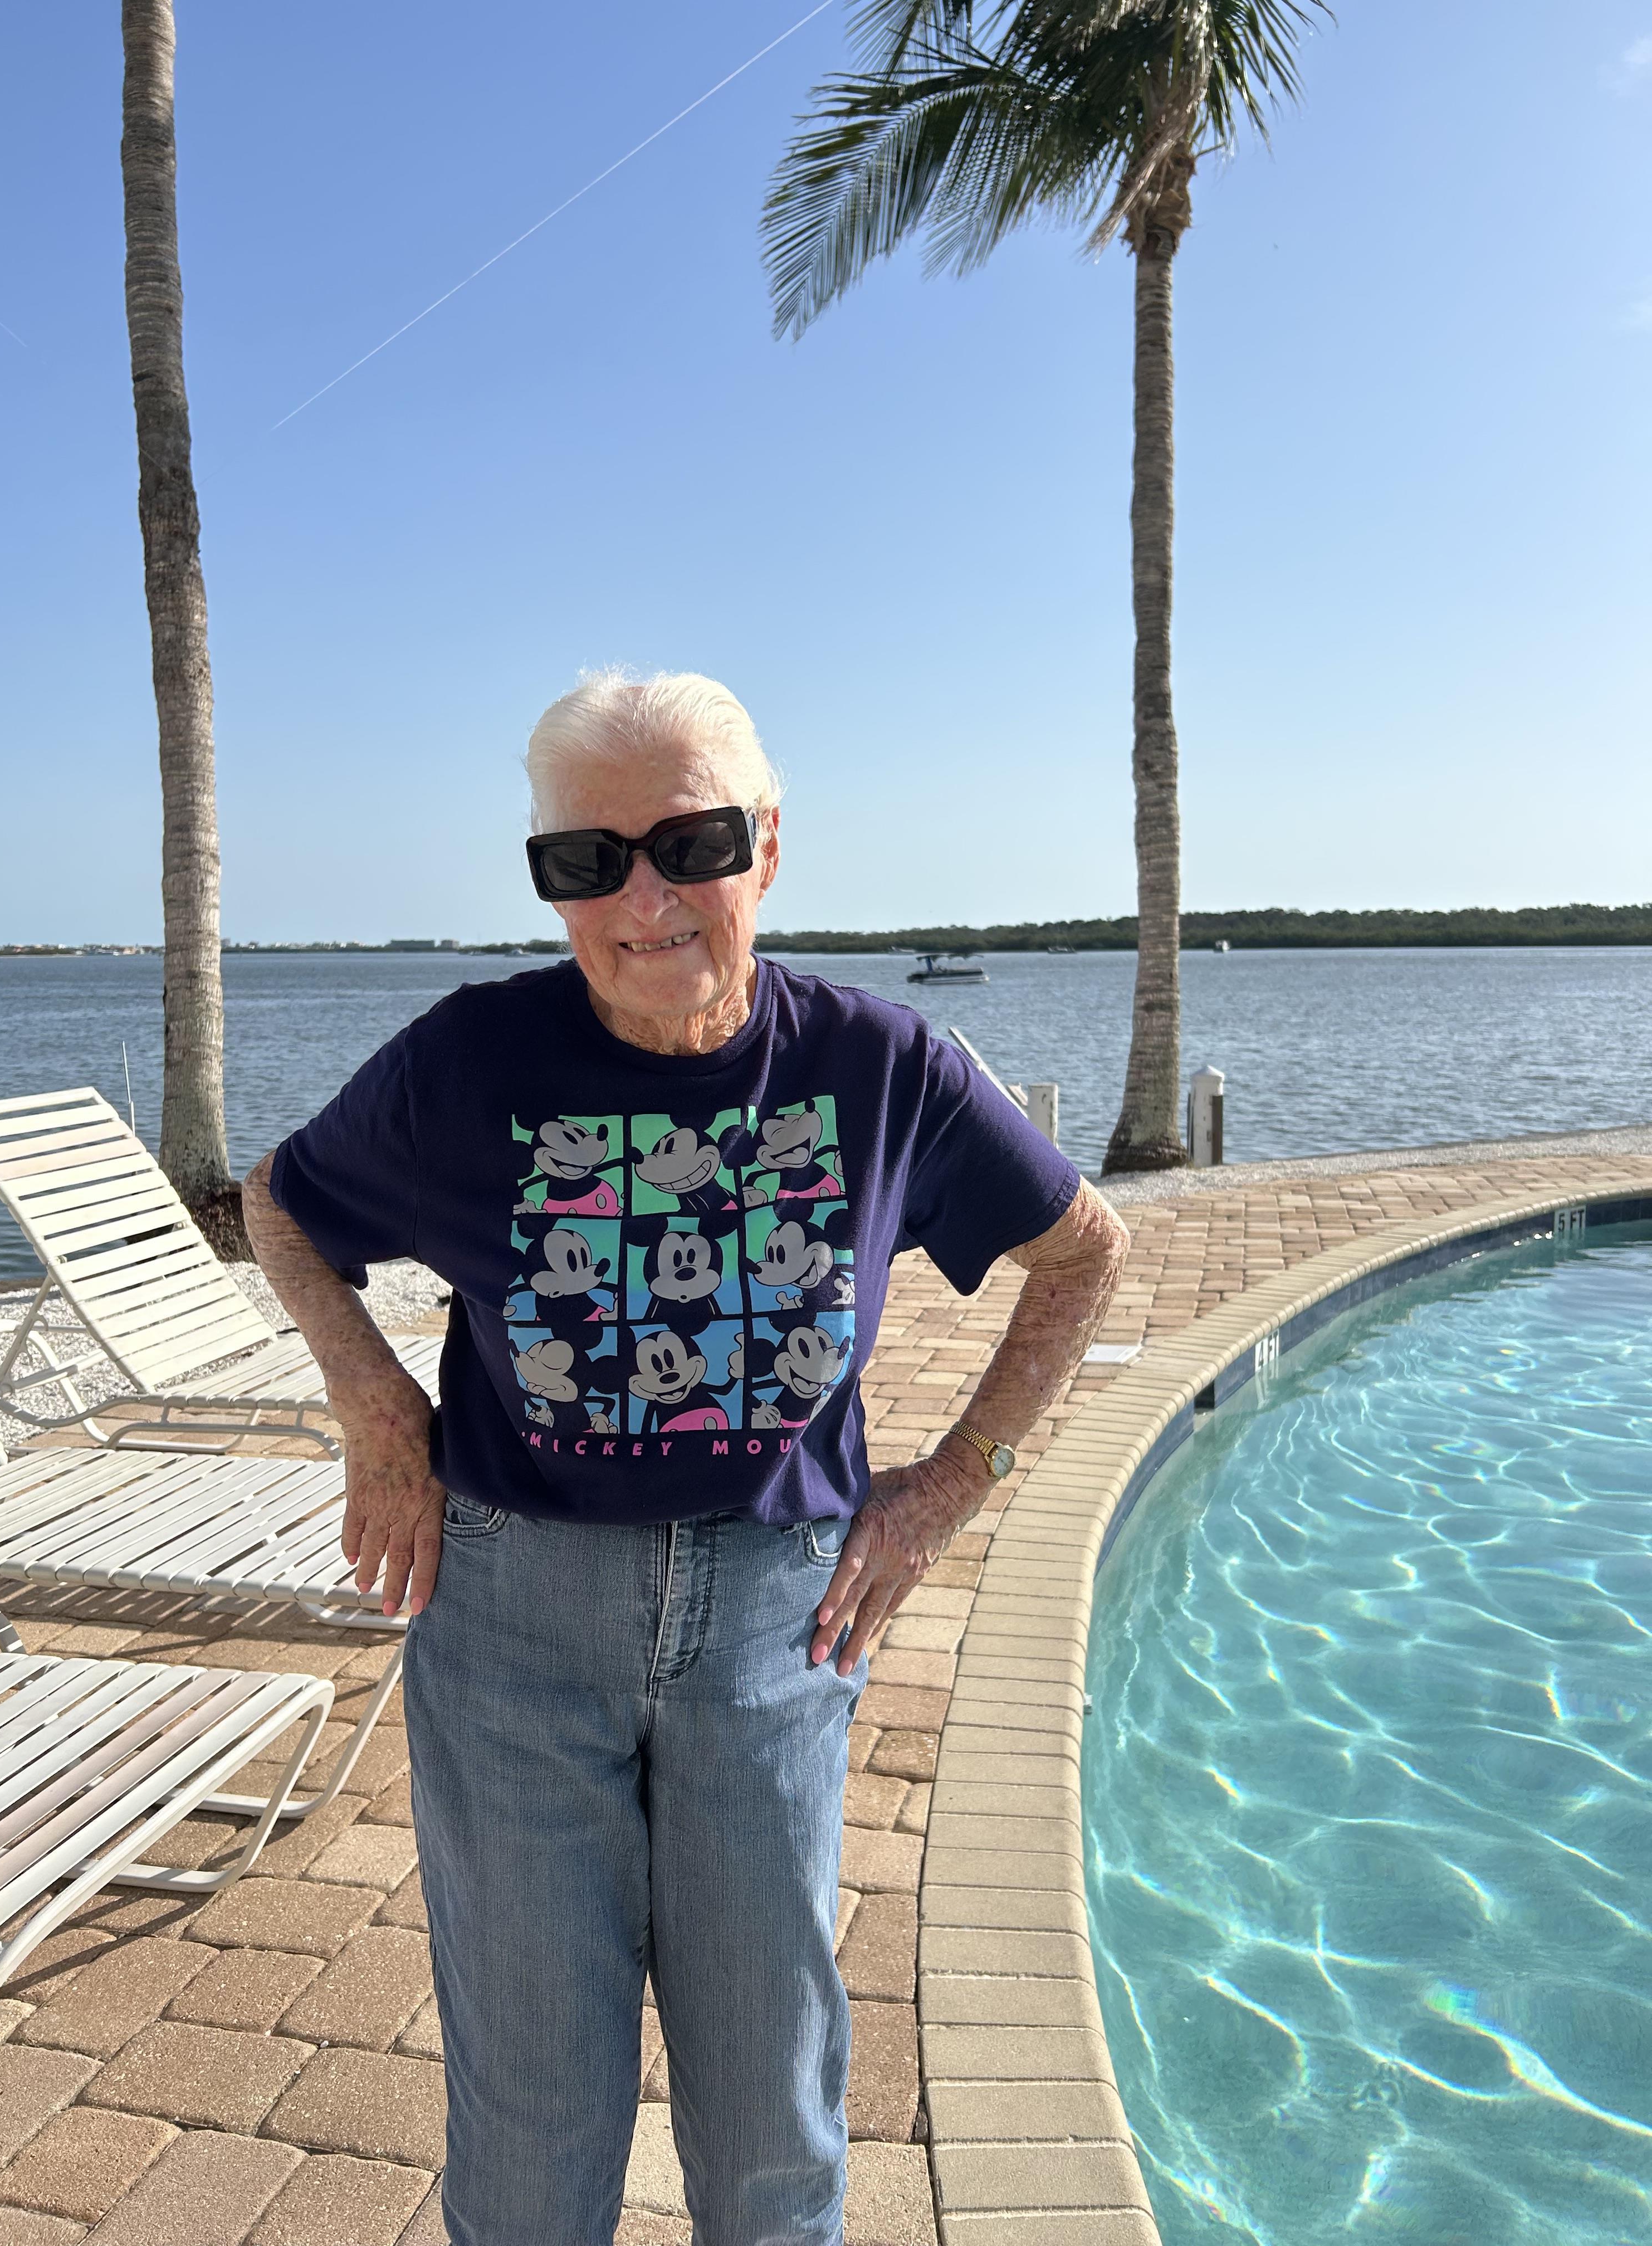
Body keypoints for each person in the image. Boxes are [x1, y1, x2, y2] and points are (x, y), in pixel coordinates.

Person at [243, 670, 1130, 2246]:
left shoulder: (882, 1068)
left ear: (769, 849)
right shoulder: (469, 1063)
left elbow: (1086, 1253)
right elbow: (283, 1205)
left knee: (773, 2112)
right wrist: (380, 1416)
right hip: (512, 1621)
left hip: (776, 1625)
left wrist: (944, 1494)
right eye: (585, 862)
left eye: (689, 844)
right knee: (529, 2114)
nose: (643, 899)